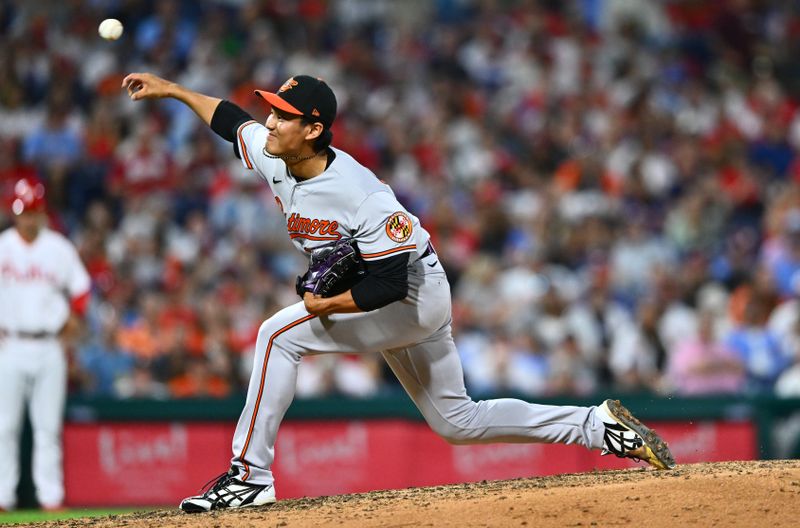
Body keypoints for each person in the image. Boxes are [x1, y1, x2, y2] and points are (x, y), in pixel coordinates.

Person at [121, 72, 676, 513]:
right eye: (272, 111)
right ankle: (595, 425)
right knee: (456, 421)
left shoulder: (361, 193)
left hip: (412, 293)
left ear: (313, 129)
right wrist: (171, 90)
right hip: (391, 295)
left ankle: (248, 476)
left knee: (276, 335)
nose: (270, 122)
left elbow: (389, 281)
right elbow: (230, 120)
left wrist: (325, 305)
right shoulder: (275, 151)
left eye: (283, 117)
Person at [0, 177, 91, 511]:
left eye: (35, 212)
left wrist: (74, 320)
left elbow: (81, 290)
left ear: (42, 213)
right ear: (14, 213)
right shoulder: (3, 246)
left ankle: (50, 498)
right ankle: (3, 497)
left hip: (50, 345)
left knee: (47, 428)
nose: (29, 219)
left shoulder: (58, 248)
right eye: (24, 212)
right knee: (4, 426)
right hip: (9, 345)